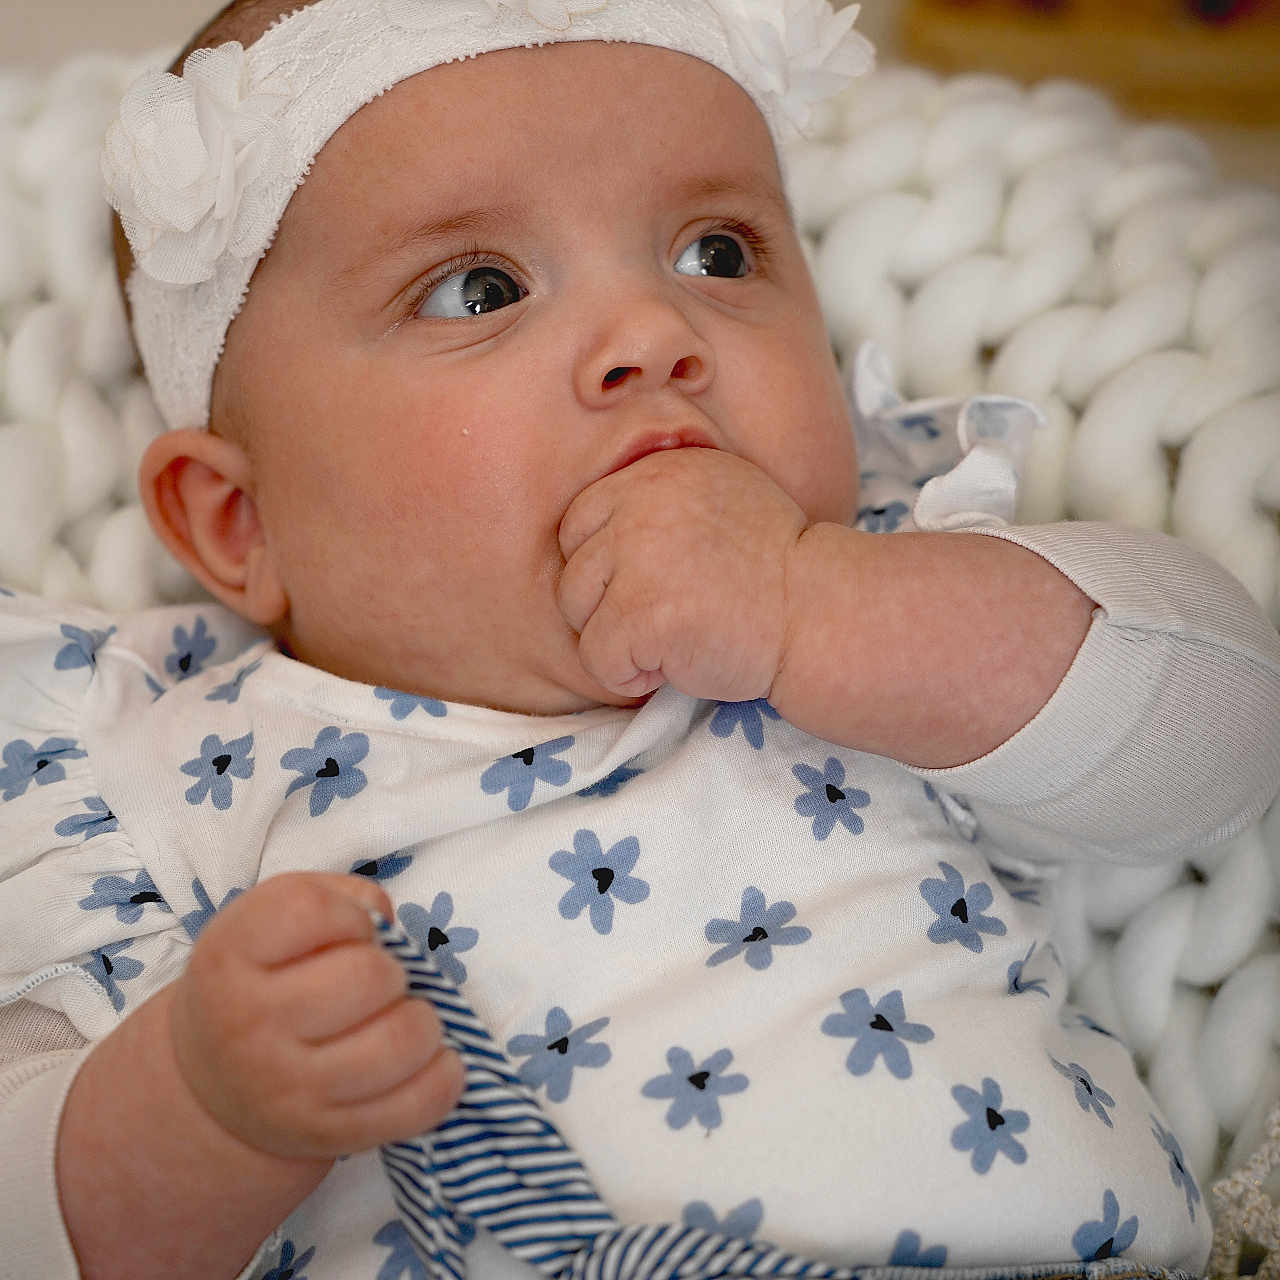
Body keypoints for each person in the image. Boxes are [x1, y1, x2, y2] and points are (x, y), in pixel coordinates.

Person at [1, 0, 1278, 1276]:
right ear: (239, 521)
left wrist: (812, 605)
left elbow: (1223, 744)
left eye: (716, 254)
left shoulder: (898, 601)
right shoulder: (156, 772)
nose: (652, 336)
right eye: (478, 288)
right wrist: (197, 1108)